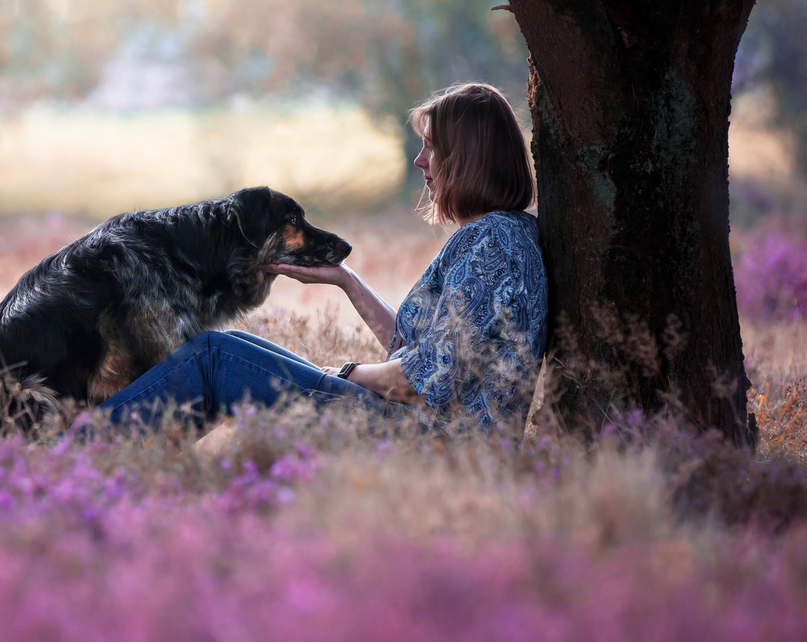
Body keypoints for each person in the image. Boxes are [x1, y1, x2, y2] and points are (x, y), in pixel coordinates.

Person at [96, 82, 548, 432]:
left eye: (431, 147)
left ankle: (67, 455)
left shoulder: (493, 244)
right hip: (422, 430)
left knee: (215, 355)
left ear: (465, 157)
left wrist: (349, 373)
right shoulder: (505, 235)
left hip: (424, 443)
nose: (420, 161)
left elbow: (418, 380)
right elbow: (419, 351)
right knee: (240, 348)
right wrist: (345, 280)